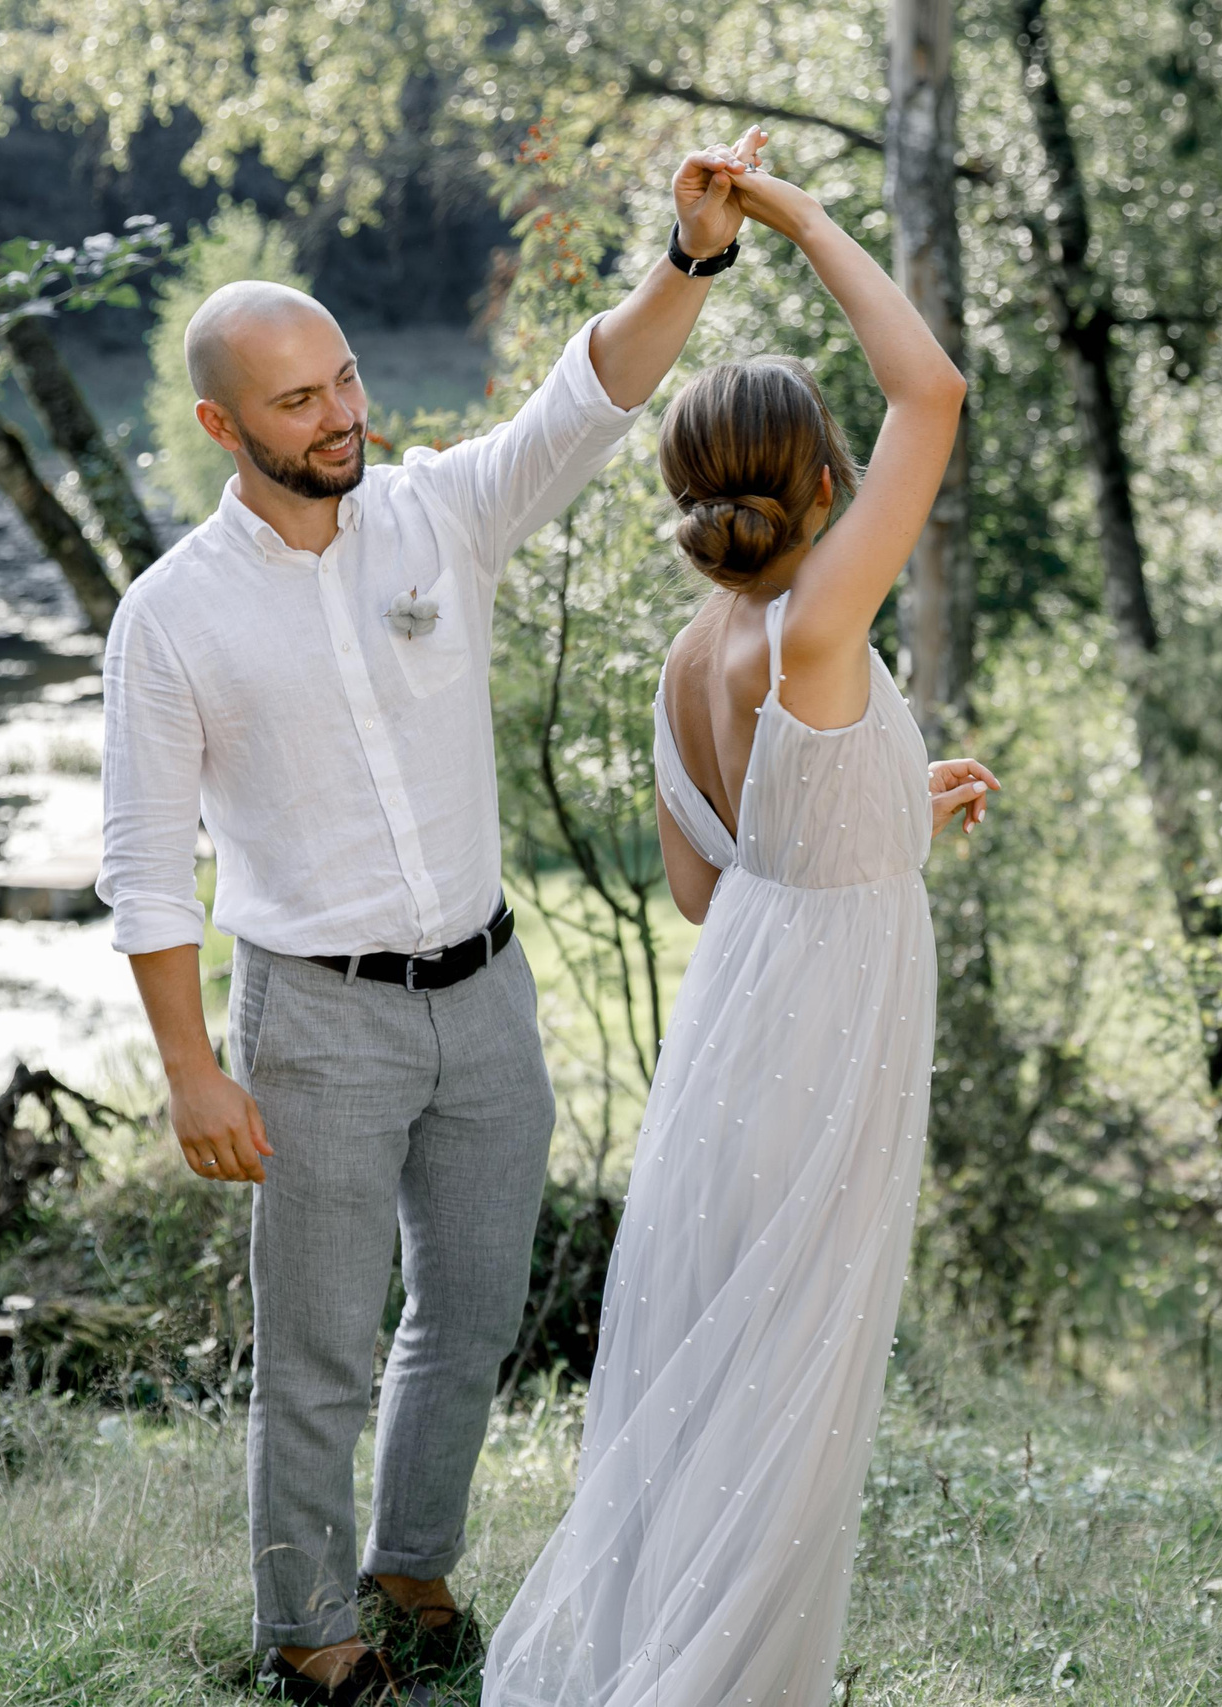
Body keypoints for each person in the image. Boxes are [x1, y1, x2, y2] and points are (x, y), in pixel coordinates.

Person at [96, 134, 773, 1704]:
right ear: (221, 425)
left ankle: (412, 1568)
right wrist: (195, 1069)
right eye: (298, 400)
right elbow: (144, 865)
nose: (340, 414)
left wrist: (688, 259)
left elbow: (589, 395)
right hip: (311, 1021)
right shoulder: (173, 618)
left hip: (485, 997)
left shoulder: (436, 516)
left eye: (342, 380)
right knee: (320, 1357)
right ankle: (312, 1636)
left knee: (467, 1322)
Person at [484, 156, 997, 1706]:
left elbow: (713, 882)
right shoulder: (821, 624)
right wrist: (803, 220)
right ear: (826, 487)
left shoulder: (689, 658)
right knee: (796, 1369)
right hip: (833, 1025)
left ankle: (671, 1648)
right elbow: (937, 393)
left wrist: (888, 815)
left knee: (723, 1359)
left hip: (740, 1023)